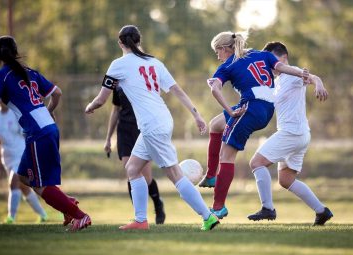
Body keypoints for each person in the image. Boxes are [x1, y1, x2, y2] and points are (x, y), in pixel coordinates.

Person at [85, 25, 219, 231]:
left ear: (120, 43)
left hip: (151, 126)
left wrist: (90, 106)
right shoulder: (154, 62)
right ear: (139, 41)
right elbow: (177, 91)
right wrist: (196, 114)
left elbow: (101, 99)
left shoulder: (118, 65)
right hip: (162, 120)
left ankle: (207, 216)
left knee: (175, 174)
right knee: (132, 169)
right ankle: (140, 221)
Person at [203, 31, 312, 219]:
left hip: (249, 109)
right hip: (266, 110)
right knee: (215, 125)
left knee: (226, 156)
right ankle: (211, 174)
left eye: (217, 51)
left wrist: (230, 111)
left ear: (223, 48)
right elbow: (282, 68)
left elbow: (215, 89)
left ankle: (218, 207)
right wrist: (301, 73)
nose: (217, 56)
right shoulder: (262, 54)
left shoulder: (227, 65)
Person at [0, 35, 91, 231]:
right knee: (23, 177)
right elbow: (57, 93)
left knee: (38, 183)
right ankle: (67, 205)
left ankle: (80, 216)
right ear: (15, 52)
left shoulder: (3, 75)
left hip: (37, 132)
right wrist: (49, 111)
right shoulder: (30, 72)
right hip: (48, 127)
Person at [247, 41, 333, 226]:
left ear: (283, 58)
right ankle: (322, 211)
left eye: (272, 60)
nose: (270, 65)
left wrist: (318, 84)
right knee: (286, 180)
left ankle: (267, 208)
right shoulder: (277, 81)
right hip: (299, 134)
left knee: (256, 163)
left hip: (292, 133)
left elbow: (311, 77)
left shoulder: (292, 72)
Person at [104, 86, 166, 224]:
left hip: (143, 129)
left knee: (147, 176)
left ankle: (158, 204)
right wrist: (108, 138)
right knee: (130, 171)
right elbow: (115, 111)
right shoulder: (118, 83)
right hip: (124, 131)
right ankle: (140, 217)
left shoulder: (143, 79)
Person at [0, 101, 48, 224]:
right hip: (7, 158)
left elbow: (27, 133)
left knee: (13, 181)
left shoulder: (15, 113)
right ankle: (43, 215)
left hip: (21, 154)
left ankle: (11, 218)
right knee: (24, 188)